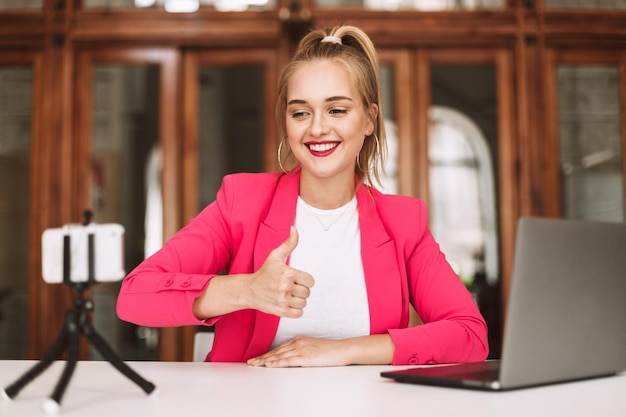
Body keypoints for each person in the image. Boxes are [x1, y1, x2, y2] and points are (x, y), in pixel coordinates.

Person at [116, 25, 489, 367]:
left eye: (337, 109)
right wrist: (247, 289)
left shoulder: (403, 223)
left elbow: (470, 335)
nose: (317, 128)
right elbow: (134, 297)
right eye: (300, 113)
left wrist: (342, 351)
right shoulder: (241, 202)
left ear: (370, 119)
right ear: (287, 123)